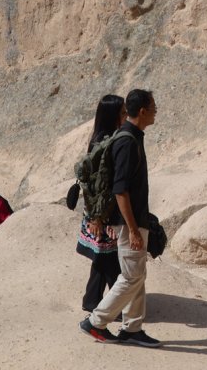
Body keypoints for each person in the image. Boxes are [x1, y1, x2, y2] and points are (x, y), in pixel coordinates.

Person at [81, 89, 161, 348]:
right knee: (129, 276)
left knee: (137, 274)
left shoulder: (133, 136)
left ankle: (132, 328)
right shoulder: (126, 142)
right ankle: (96, 321)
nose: (156, 111)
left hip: (136, 221)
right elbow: (119, 190)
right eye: (153, 106)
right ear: (142, 111)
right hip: (131, 223)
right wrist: (133, 228)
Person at [77, 95, 127, 312]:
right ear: (113, 114)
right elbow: (103, 186)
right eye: (123, 112)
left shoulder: (98, 138)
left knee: (102, 259)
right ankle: (111, 306)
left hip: (99, 212)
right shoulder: (108, 142)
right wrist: (102, 218)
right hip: (104, 213)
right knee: (109, 261)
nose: (126, 115)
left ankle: (92, 301)